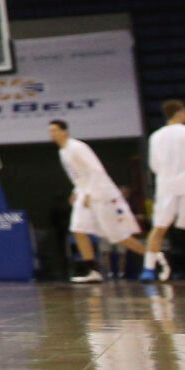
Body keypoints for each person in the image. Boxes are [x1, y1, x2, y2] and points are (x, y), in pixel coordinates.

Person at [50, 119, 148, 282]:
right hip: (84, 193)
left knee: (117, 237)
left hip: (101, 194)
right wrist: (77, 191)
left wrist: (89, 192)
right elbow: (80, 176)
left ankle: (153, 258)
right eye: (50, 131)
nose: (52, 134)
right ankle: (93, 270)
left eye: (55, 130)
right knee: (78, 229)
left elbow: (96, 170)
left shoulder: (77, 147)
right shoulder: (63, 151)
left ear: (64, 131)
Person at [148, 98, 185, 283]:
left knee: (159, 228)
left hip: (165, 186)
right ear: (179, 112)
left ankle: (148, 269)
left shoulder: (155, 136)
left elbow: (154, 165)